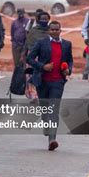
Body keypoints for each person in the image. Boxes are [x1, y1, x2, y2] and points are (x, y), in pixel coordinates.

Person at [26, 21, 73, 151]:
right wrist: (43, 66)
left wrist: (68, 69)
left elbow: (70, 60)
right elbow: (29, 58)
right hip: (42, 81)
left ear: (60, 30)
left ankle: (52, 139)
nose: (54, 31)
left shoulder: (67, 45)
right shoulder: (41, 43)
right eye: (52, 29)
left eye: (57, 29)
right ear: (49, 31)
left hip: (58, 82)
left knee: (53, 110)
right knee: (45, 110)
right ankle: (46, 125)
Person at [22, 11, 51, 99]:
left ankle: (41, 94)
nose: (44, 20)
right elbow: (27, 43)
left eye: (46, 19)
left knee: (43, 76)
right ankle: (33, 94)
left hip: (45, 57)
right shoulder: (33, 31)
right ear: (38, 20)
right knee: (31, 75)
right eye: (42, 19)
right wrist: (24, 54)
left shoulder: (51, 31)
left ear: (49, 19)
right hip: (33, 57)